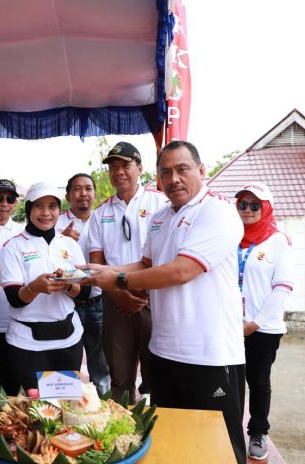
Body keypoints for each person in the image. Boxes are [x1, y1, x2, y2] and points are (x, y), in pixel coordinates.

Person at [84, 140, 247, 464]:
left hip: (209, 354)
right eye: (166, 172)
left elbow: (182, 270)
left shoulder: (218, 211)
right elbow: (146, 264)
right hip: (163, 351)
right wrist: (100, 272)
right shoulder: (160, 217)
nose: (174, 179)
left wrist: (117, 280)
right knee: (172, 441)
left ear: (202, 170)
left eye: (182, 169)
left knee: (219, 449)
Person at [86, 141, 169, 403]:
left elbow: (168, 255)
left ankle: (158, 423)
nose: (118, 171)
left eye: (125, 165)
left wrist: (141, 290)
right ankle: (122, 423)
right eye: (113, 166)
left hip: (153, 297)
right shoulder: (100, 213)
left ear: (140, 168)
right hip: (115, 300)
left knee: (159, 372)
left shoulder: (161, 203)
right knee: (119, 374)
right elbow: (97, 263)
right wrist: (117, 293)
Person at [0, 182, 90, 395]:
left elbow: (84, 293)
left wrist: (68, 285)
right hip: (27, 344)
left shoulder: (69, 244)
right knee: (30, 406)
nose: (46, 213)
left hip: (68, 341)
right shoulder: (13, 247)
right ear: (29, 209)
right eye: (39, 206)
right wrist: (34, 288)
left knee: (63, 404)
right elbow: (15, 299)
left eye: (53, 206)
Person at [235, 182, 293, 461]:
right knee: (230, 381)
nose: (248, 210)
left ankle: (258, 432)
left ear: (266, 208)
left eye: (255, 205)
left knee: (258, 381)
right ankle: (229, 428)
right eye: (242, 204)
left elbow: (282, 288)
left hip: (263, 328)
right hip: (229, 325)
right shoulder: (230, 236)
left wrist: (254, 324)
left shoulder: (278, 240)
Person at [56, 173, 110, 396]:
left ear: (95, 194)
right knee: (66, 358)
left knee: (100, 360)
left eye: (88, 188)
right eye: (77, 189)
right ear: (68, 195)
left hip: (97, 300)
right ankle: (64, 404)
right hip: (66, 302)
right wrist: (61, 238)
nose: (83, 193)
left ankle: (103, 406)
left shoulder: (103, 219)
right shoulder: (56, 222)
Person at [0, 179, 24, 382]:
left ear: (16, 203)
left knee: (11, 378)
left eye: (10, 199)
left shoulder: (23, 231)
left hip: (12, 317)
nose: (4, 203)